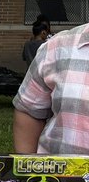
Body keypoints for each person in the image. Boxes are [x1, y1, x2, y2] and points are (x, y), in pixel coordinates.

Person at [13, 21, 89, 155]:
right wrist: (28, 170)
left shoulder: (29, 44)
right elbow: (29, 110)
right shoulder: (57, 47)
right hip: (58, 174)